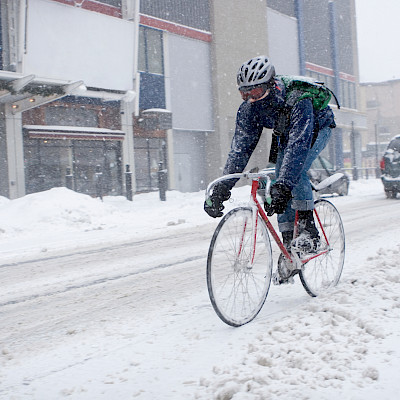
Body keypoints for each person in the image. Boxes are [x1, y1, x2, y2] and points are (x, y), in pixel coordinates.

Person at [204, 55, 336, 254]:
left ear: (271, 85)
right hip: (285, 130)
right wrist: (222, 189)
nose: (251, 99)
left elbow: (298, 147)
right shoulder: (248, 111)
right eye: (245, 93)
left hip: (317, 127)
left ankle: (309, 232)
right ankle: (289, 246)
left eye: (256, 91)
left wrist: (284, 186)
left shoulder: (298, 99)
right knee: (276, 181)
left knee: (292, 173)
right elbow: (239, 151)